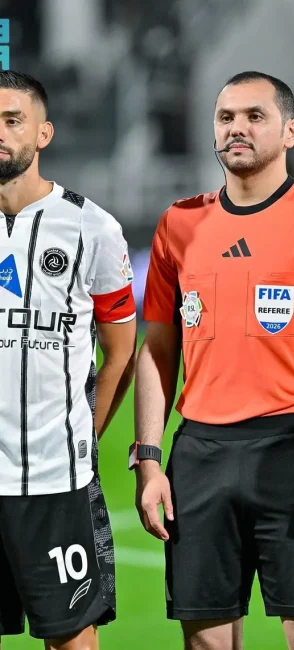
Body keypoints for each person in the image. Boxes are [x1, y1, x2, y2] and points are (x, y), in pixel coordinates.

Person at [134, 71, 294, 650]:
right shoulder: (179, 224)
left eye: (254, 117)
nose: (236, 128)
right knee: (206, 641)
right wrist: (148, 458)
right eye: (226, 118)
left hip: (293, 450)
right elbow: (157, 349)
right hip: (199, 454)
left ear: (290, 131)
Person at [0, 71, 137, 649]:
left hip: (55, 479)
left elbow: (121, 350)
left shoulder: (91, 228)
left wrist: (85, 433)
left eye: (12, 121)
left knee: (71, 638)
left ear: (44, 133)